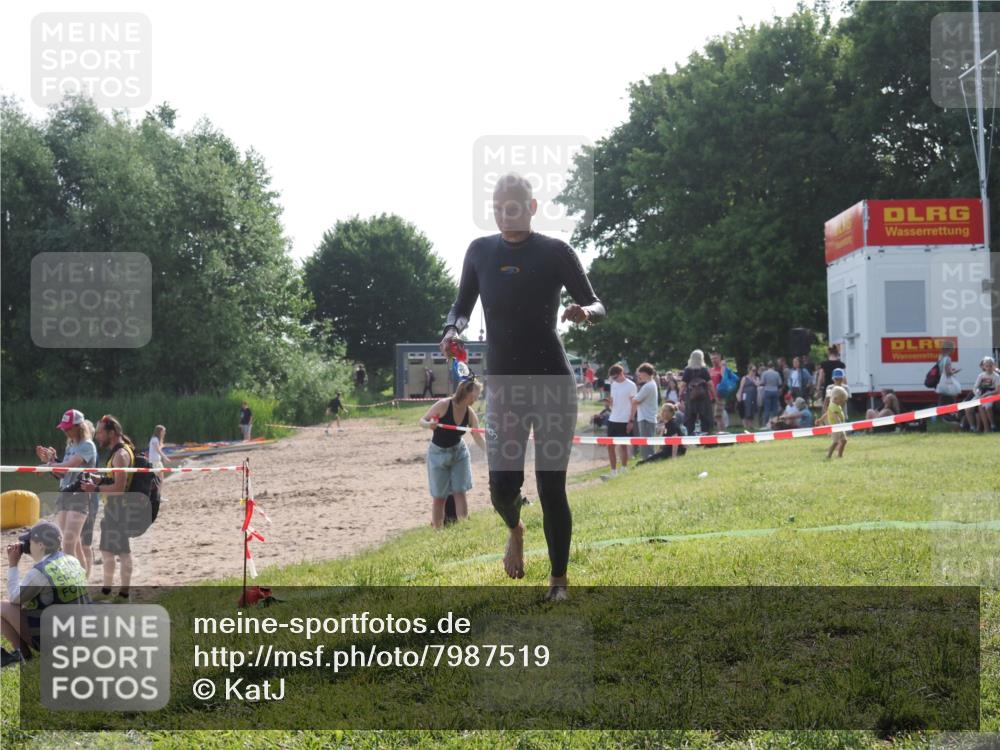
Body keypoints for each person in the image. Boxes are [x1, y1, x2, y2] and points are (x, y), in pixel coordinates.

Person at [440, 172, 604, 602]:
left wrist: (585, 312)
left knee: (552, 485)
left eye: (511, 209)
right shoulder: (479, 252)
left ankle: (558, 582)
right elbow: (461, 307)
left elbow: (597, 302)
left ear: (531, 208)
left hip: (553, 383)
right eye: (496, 209)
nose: (503, 216)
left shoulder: (554, 252)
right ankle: (516, 528)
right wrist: (452, 330)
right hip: (506, 388)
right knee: (501, 489)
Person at [1, 521, 89, 667]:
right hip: (82, 635)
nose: (27, 546)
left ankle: (22, 654)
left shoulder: (41, 571)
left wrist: (13, 565)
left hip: (59, 643)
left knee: (2, 607)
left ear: (40, 544)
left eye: (29, 542)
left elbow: (15, 598)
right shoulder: (72, 560)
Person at [79, 415, 139, 603]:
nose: (97, 436)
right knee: (106, 551)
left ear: (111, 433)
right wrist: (100, 479)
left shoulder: (121, 455)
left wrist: (94, 488)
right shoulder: (117, 453)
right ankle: (106, 590)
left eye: (100, 432)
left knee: (123, 553)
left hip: (120, 510)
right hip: (113, 510)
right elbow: (114, 481)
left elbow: (119, 489)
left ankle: (124, 594)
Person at [34, 409, 97, 577]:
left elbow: (71, 465)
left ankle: (75, 585)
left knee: (68, 544)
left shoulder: (87, 446)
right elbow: (63, 473)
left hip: (80, 496)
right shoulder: (71, 445)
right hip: (64, 494)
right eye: (64, 427)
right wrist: (51, 461)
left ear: (79, 427)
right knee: (71, 543)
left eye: (68, 428)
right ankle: (82, 581)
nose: (65, 430)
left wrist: (48, 466)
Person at [419, 378, 487, 529]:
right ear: (467, 392)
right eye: (476, 394)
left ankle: (463, 529)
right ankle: (438, 530)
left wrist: (490, 453)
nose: (477, 398)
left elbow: (477, 436)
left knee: (460, 491)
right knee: (439, 497)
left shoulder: (469, 413)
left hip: (459, 453)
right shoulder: (444, 405)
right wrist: (429, 424)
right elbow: (421, 420)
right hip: (438, 454)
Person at [604, 364, 636, 477]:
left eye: (615, 377)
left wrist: (631, 421)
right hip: (613, 418)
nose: (614, 379)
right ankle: (613, 471)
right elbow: (613, 401)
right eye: (612, 378)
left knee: (623, 445)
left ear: (622, 373)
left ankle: (623, 468)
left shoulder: (631, 385)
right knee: (610, 446)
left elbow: (634, 404)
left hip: (624, 419)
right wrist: (609, 402)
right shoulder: (614, 384)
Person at [680, 349, 716, 435]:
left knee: (690, 418)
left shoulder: (687, 370)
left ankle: (690, 437)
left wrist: (680, 395)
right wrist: (714, 396)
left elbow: (683, 385)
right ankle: (706, 436)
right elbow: (710, 384)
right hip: (703, 398)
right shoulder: (704, 370)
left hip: (691, 398)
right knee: (705, 418)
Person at [630, 363, 659, 461]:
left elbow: (635, 400)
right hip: (648, 417)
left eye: (640, 374)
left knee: (645, 444)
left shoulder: (648, 386)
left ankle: (648, 461)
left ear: (645, 373)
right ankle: (648, 460)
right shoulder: (652, 383)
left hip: (646, 418)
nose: (639, 376)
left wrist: (633, 398)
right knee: (647, 442)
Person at [818, 385, 849, 459]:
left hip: (840, 427)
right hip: (836, 427)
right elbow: (836, 416)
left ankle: (840, 455)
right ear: (835, 399)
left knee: (844, 441)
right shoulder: (833, 406)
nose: (843, 402)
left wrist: (821, 419)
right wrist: (840, 424)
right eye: (841, 400)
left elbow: (827, 413)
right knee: (836, 442)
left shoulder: (835, 405)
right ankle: (828, 455)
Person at [934, 340, 962, 418]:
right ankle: (950, 418)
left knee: (942, 401)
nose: (954, 350)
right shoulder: (947, 359)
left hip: (941, 382)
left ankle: (943, 418)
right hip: (948, 384)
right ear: (949, 349)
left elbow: (942, 370)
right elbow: (948, 373)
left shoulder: (941, 357)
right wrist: (955, 371)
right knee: (950, 402)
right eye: (953, 349)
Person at [972, 356, 1000, 433]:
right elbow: (975, 387)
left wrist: (987, 394)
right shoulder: (981, 375)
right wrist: (977, 394)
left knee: (988, 407)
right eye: (987, 366)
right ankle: (985, 428)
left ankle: (992, 425)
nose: (989, 368)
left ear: (993, 365)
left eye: (991, 366)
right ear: (984, 366)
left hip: (992, 394)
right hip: (982, 394)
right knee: (979, 406)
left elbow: (997, 391)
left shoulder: (996, 376)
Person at [736, 364, 760, 431]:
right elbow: (741, 388)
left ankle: (751, 425)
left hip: (753, 396)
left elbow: (757, 384)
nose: (754, 372)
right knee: (746, 410)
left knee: (752, 410)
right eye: (753, 370)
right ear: (749, 370)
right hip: (746, 397)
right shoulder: (744, 378)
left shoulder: (756, 378)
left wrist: (753, 378)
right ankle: (746, 426)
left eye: (755, 370)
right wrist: (739, 395)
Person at [759, 362, 783, 427]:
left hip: (767, 391)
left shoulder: (765, 373)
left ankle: (766, 425)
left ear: (767, 367)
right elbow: (780, 383)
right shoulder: (776, 373)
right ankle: (774, 424)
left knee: (767, 409)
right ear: (773, 367)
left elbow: (762, 382)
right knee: (775, 409)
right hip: (775, 391)